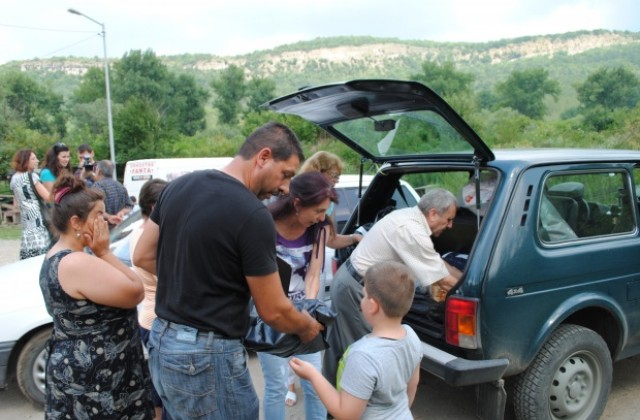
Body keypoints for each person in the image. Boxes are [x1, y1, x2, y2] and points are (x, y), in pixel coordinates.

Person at [132, 121, 324, 420]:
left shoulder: (178, 187)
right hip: (207, 357)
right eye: (286, 174)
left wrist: (196, 279)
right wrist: (306, 328)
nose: (285, 188)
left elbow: (142, 256)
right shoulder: (253, 214)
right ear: (263, 156)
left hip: (162, 342)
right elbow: (273, 310)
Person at [38, 174, 153, 419]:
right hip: (98, 378)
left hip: (84, 370)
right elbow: (135, 291)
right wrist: (104, 252)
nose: (106, 221)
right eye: (99, 215)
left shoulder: (56, 255)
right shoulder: (77, 262)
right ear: (76, 223)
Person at [323, 187, 462, 386]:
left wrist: (466, 277)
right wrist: (475, 290)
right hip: (355, 289)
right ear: (433, 213)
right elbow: (442, 278)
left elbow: (439, 264)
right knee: (361, 357)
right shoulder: (411, 230)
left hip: (351, 282)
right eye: (448, 219)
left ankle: (332, 408)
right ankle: (354, 409)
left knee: (341, 348)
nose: (449, 226)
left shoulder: (408, 216)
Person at [290, 261, 422, 419]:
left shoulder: (362, 355)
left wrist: (313, 375)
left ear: (372, 306)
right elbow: (411, 388)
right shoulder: (412, 336)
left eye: (364, 294)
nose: (362, 299)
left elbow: (346, 414)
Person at [258, 172, 337, 420]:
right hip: (271, 315)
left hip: (304, 312)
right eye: (318, 210)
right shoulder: (264, 225)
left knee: (314, 383)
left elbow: (313, 275)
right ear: (297, 203)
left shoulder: (319, 228)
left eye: (326, 210)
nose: (322, 217)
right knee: (276, 385)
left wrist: (308, 313)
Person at [129, 178, 169, 420]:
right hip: (159, 322)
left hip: (148, 319)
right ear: (156, 207)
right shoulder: (155, 238)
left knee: (157, 386)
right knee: (165, 390)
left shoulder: (138, 231)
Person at [299, 151, 363, 249]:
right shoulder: (297, 195)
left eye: (338, 177)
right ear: (318, 171)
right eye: (334, 175)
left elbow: (330, 239)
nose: (337, 180)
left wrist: (354, 238)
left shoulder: (329, 204)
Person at [9, 149, 52, 259]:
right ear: (25, 161)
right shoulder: (32, 177)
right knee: (42, 247)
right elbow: (48, 197)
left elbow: (16, 203)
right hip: (37, 215)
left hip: (25, 217)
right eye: (33, 159)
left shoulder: (14, 179)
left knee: (29, 246)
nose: (37, 161)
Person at [93, 159, 134, 228]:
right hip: (118, 228)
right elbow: (130, 206)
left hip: (102, 228)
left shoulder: (97, 186)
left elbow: (95, 209)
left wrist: (109, 217)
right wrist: (121, 213)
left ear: (99, 171)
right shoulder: (120, 186)